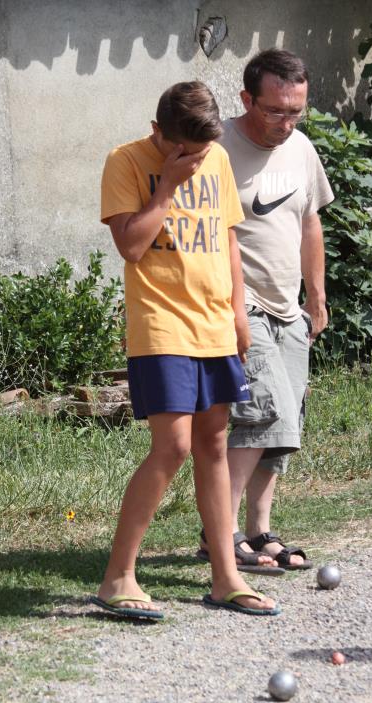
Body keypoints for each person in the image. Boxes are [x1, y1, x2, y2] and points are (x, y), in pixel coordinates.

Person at [92, 81, 280, 620]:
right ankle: (117, 578)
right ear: (158, 134)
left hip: (215, 322)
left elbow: (226, 239)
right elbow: (131, 246)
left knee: (214, 445)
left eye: (201, 152)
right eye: (184, 151)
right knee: (171, 447)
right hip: (161, 324)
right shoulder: (125, 161)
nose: (196, 160)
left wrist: (239, 314)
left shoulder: (216, 157)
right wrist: (167, 186)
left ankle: (226, 577)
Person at [197, 49, 334, 573]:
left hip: (287, 307)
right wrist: (227, 307)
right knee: (262, 411)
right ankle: (220, 536)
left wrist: (315, 297)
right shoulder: (217, 151)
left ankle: (258, 530)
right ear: (246, 99)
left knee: (285, 424)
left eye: (295, 110)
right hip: (238, 304)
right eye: (275, 110)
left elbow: (309, 224)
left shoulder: (300, 147)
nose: (286, 122)